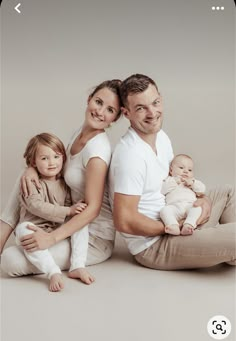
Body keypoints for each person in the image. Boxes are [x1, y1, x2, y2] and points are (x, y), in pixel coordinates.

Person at [109, 73, 236, 270]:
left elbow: (176, 181)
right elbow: (124, 221)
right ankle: (224, 245)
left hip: (181, 212)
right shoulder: (130, 156)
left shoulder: (161, 137)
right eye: (141, 108)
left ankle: (223, 247)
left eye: (155, 102)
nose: (152, 113)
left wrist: (202, 199)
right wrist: (173, 226)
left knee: (228, 193)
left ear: (161, 98)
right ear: (126, 113)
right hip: (156, 244)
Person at [1, 79, 122, 280]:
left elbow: (92, 209)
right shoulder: (80, 134)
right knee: (24, 179)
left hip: (90, 237)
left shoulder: (97, 151)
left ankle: (69, 266)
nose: (100, 112)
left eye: (110, 110)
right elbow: (55, 168)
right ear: (89, 99)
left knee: (11, 260)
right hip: (65, 221)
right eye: (98, 102)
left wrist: (51, 239)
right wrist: (31, 169)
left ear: (114, 119)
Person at [14, 133, 88, 292]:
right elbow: (36, 205)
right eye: (44, 158)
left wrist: (75, 208)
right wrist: (68, 210)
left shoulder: (64, 183)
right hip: (35, 228)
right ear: (33, 162)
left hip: (55, 230)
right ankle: (53, 271)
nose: (52, 162)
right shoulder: (30, 182)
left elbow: (69, 204)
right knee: (23, 229)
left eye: (56, 156)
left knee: (81, 222)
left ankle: (77, 265)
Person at [160, 154, 206, 236]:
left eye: (190, 170)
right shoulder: (169, 180)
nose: (186, 171)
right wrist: (175, 181)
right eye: (181, 168)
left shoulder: (193, 181)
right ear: (171, 170)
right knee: (164, 211)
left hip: (189, 205)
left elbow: (202, 190)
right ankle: (173, 225)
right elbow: (162, 190)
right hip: (174, 207)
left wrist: (192, 184)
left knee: (197, 208)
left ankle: (188, 225)